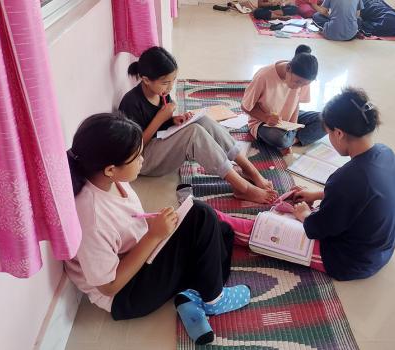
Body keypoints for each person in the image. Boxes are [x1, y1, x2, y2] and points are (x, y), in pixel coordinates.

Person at [64, 113, 251, 345]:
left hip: (141, 260)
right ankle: (214, 299)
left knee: (221, 232)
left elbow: (127, 224)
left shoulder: (112, 182)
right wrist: (154, 235)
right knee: (202, 216)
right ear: (110, 169)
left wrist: (154, 227)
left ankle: (190, 298)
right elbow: (109, 287)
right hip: (127, 295)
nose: (143, 160)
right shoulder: (90, 214)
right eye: (136, 157)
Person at [220, 87, 395, 281]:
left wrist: (304, 215)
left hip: (351, 261)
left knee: (264, 231)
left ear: (339, 133)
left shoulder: (347, 179)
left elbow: (316, 229)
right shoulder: (386, 154)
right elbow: (361, 197)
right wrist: (317, 195)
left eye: (328, 133)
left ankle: (213, 219)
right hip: (381, 251)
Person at [118, 46, 277, 204]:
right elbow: (135, 148)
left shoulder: (161, 93)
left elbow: (162, 124)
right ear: (146, 80)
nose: (170, 87)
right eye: (165, 83)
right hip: (143, 160)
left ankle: (250, 170)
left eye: (173, 81)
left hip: (160, 145)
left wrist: (174, 120)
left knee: (202, 120)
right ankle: (243, 189)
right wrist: (160, 118)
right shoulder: (131, 102)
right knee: (193, 133)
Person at [241, 45, 325, 154]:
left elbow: (296, 104)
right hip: (263, 122)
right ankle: (289, 139)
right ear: (288, 68)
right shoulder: (263, 76)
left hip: (287, 121)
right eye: (297, 82)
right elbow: (245, 106)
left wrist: (293, 127)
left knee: (327, 120)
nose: (299, 87)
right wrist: (266, 118)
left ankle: (292, 140)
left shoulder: (303, 78)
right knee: (278, 138)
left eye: (304, 84)